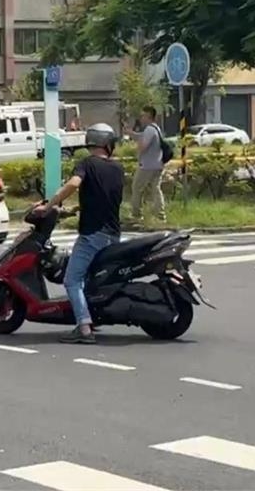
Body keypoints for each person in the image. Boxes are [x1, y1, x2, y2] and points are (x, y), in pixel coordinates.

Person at [34, 123, 124, 344]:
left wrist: (48, 206)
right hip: (113, 235)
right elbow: (102, 199)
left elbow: (74, 184)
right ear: (107, 144)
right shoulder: (117, 168)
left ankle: (84, 328)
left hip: (92, 235)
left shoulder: (86, 164)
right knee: (89, 279)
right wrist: (72, 210)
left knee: (72, 280)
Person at [127, 106, 166, 222]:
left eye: (142, 115)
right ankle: (160, 216)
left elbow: (143, 145)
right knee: (156, 189)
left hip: (147, 166)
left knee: (136, 187)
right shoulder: (156, 128)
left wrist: (137, 149)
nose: (141, 118)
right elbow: (140, 137)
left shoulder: (149, 129)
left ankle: (136, 215)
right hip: (158, 164)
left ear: (148, 116)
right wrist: (131, 133)